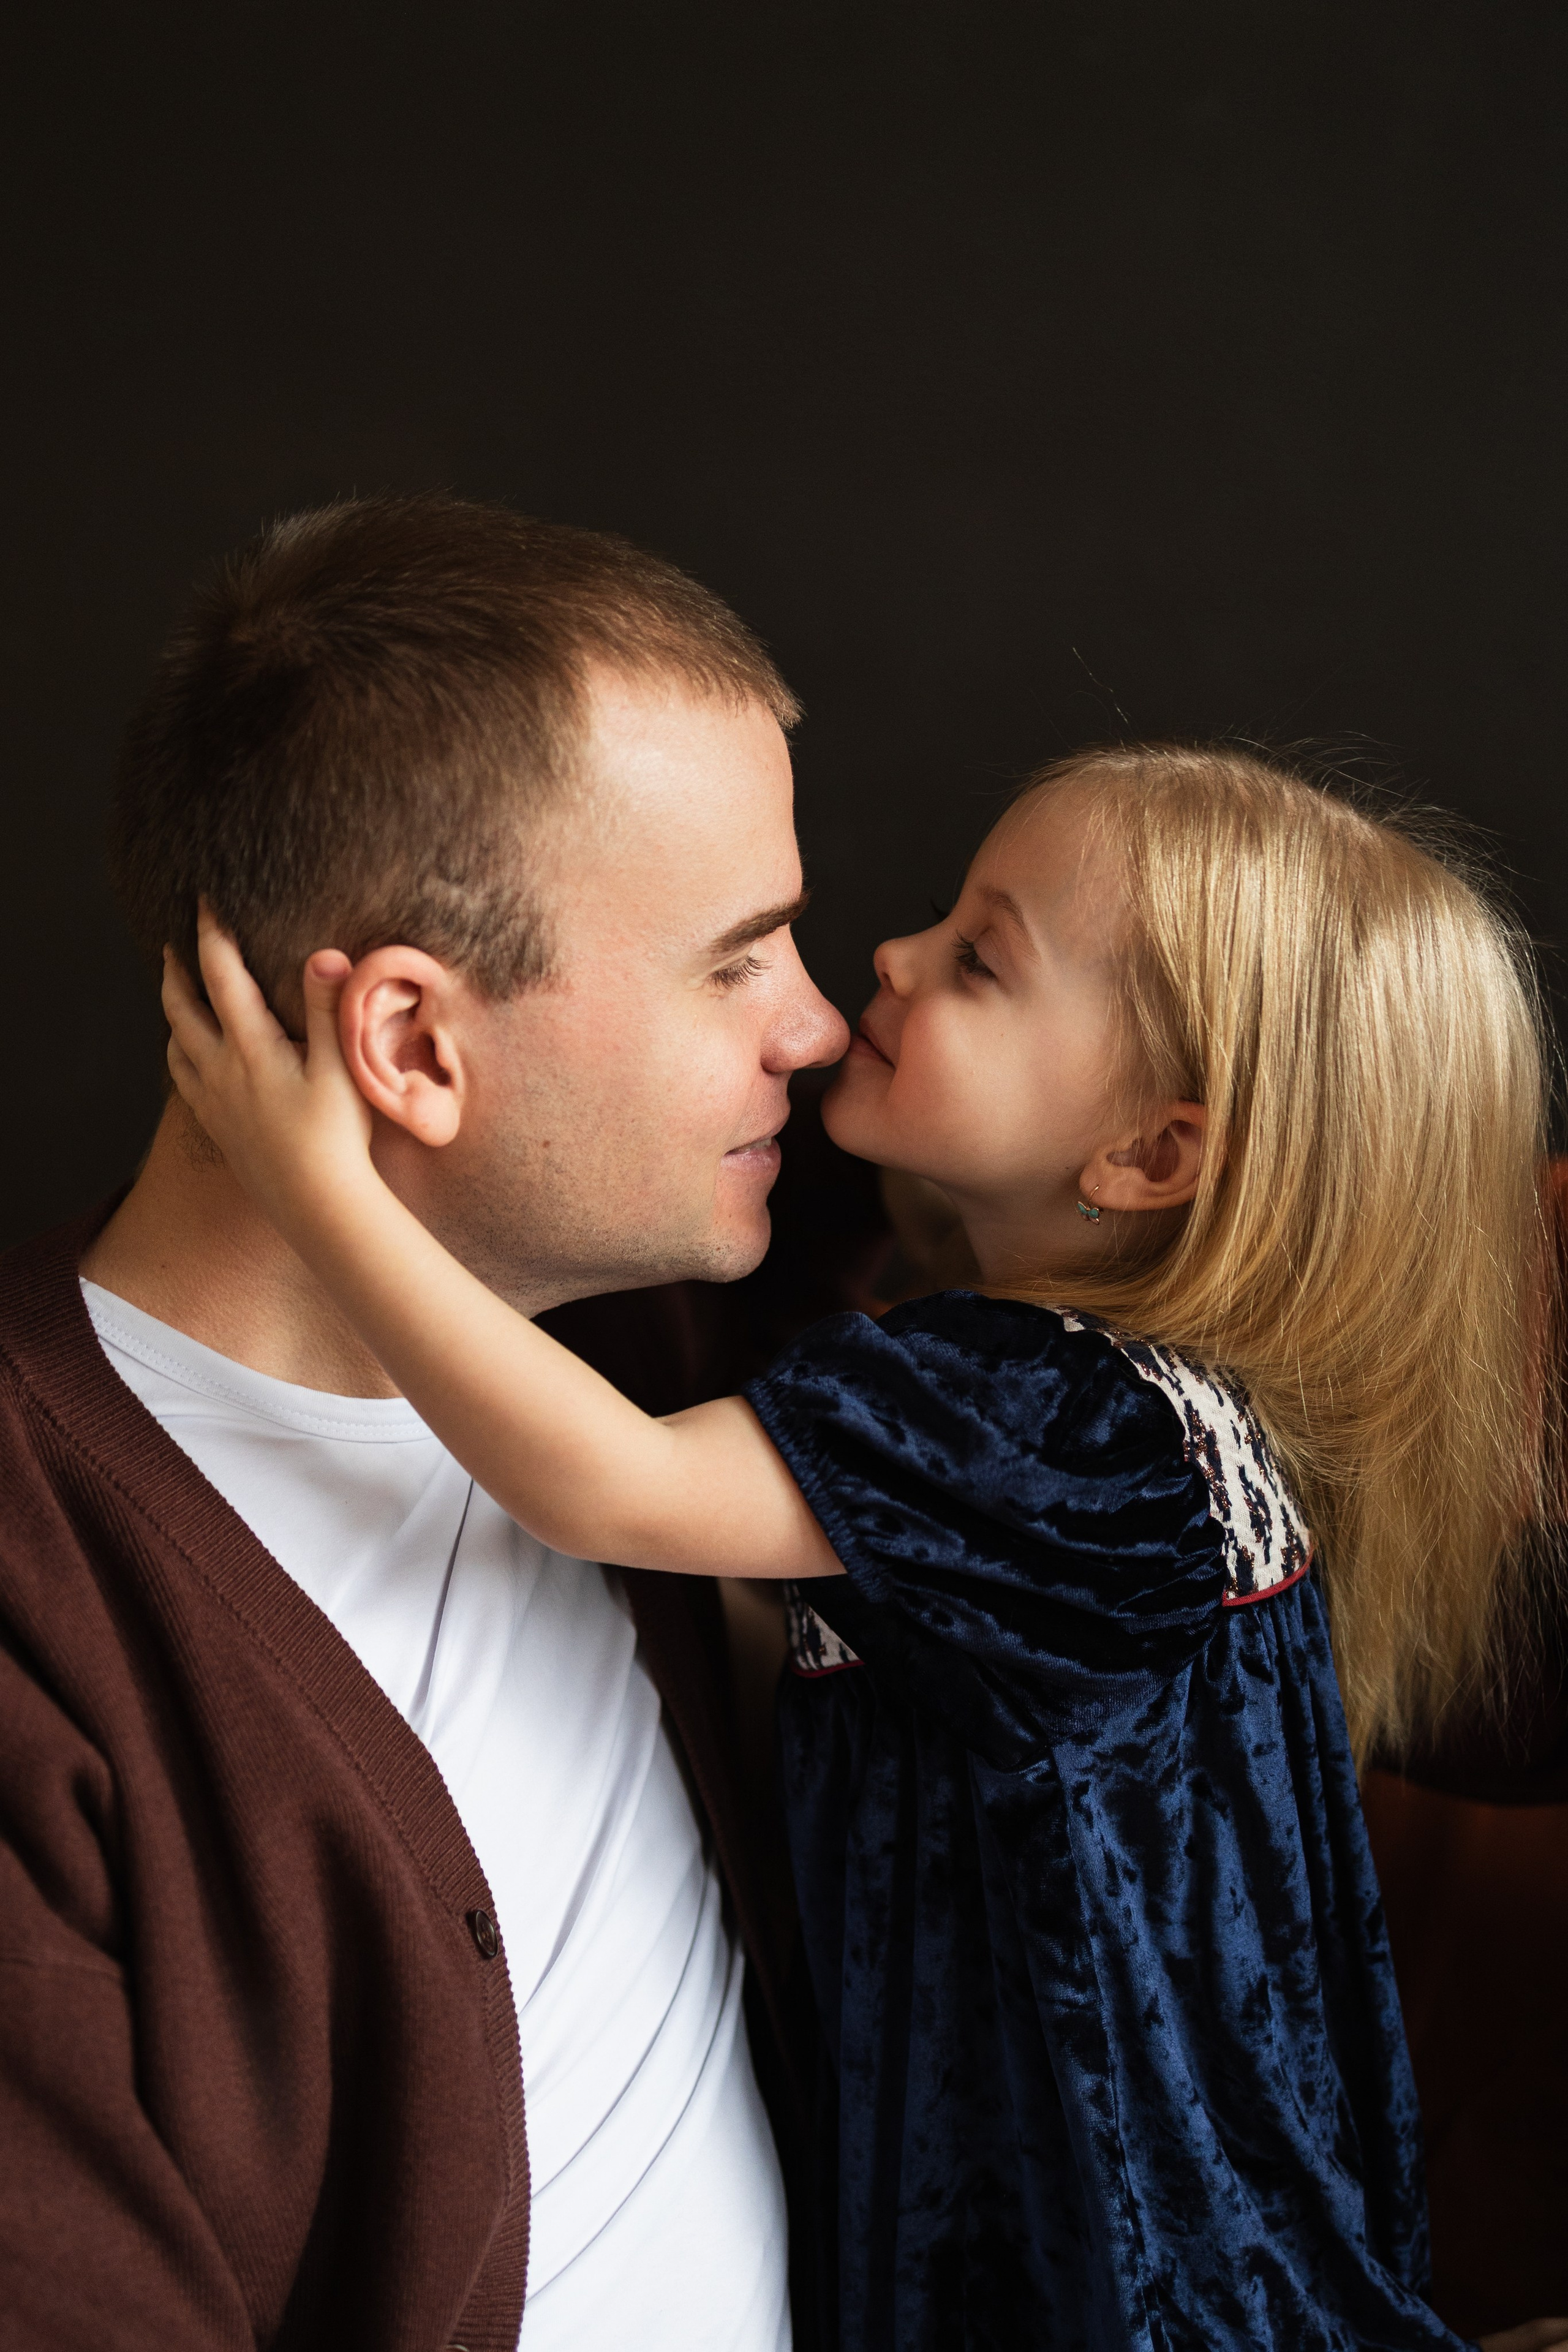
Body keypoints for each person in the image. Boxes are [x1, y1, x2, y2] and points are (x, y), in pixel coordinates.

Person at [164, 743, 1568, 2352]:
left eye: (981, 961)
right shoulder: (1127, 1405)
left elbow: (610, 1485)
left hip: (1116, 2264)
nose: (887, 961)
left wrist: (316, 1180)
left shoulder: (1048, 1418)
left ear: (1149, 1156)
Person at [0, 495, 850, 2349]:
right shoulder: (39, 1594)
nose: (818, 1031)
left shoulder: (669, 1324)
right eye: (739, 960)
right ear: (409, 1047)